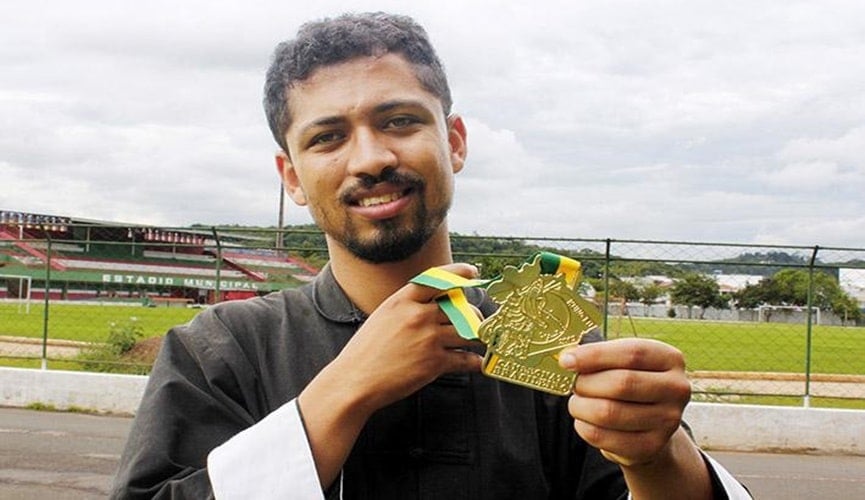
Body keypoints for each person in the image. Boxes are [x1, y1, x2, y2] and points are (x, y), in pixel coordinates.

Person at [111, 12, 751, 499]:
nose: (370, 159)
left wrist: (657, 457)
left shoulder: (550, 342)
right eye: (328, 137)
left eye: (399, 121)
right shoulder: (219, 350)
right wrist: (342, 393)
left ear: (455, 141)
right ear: (293, 178)